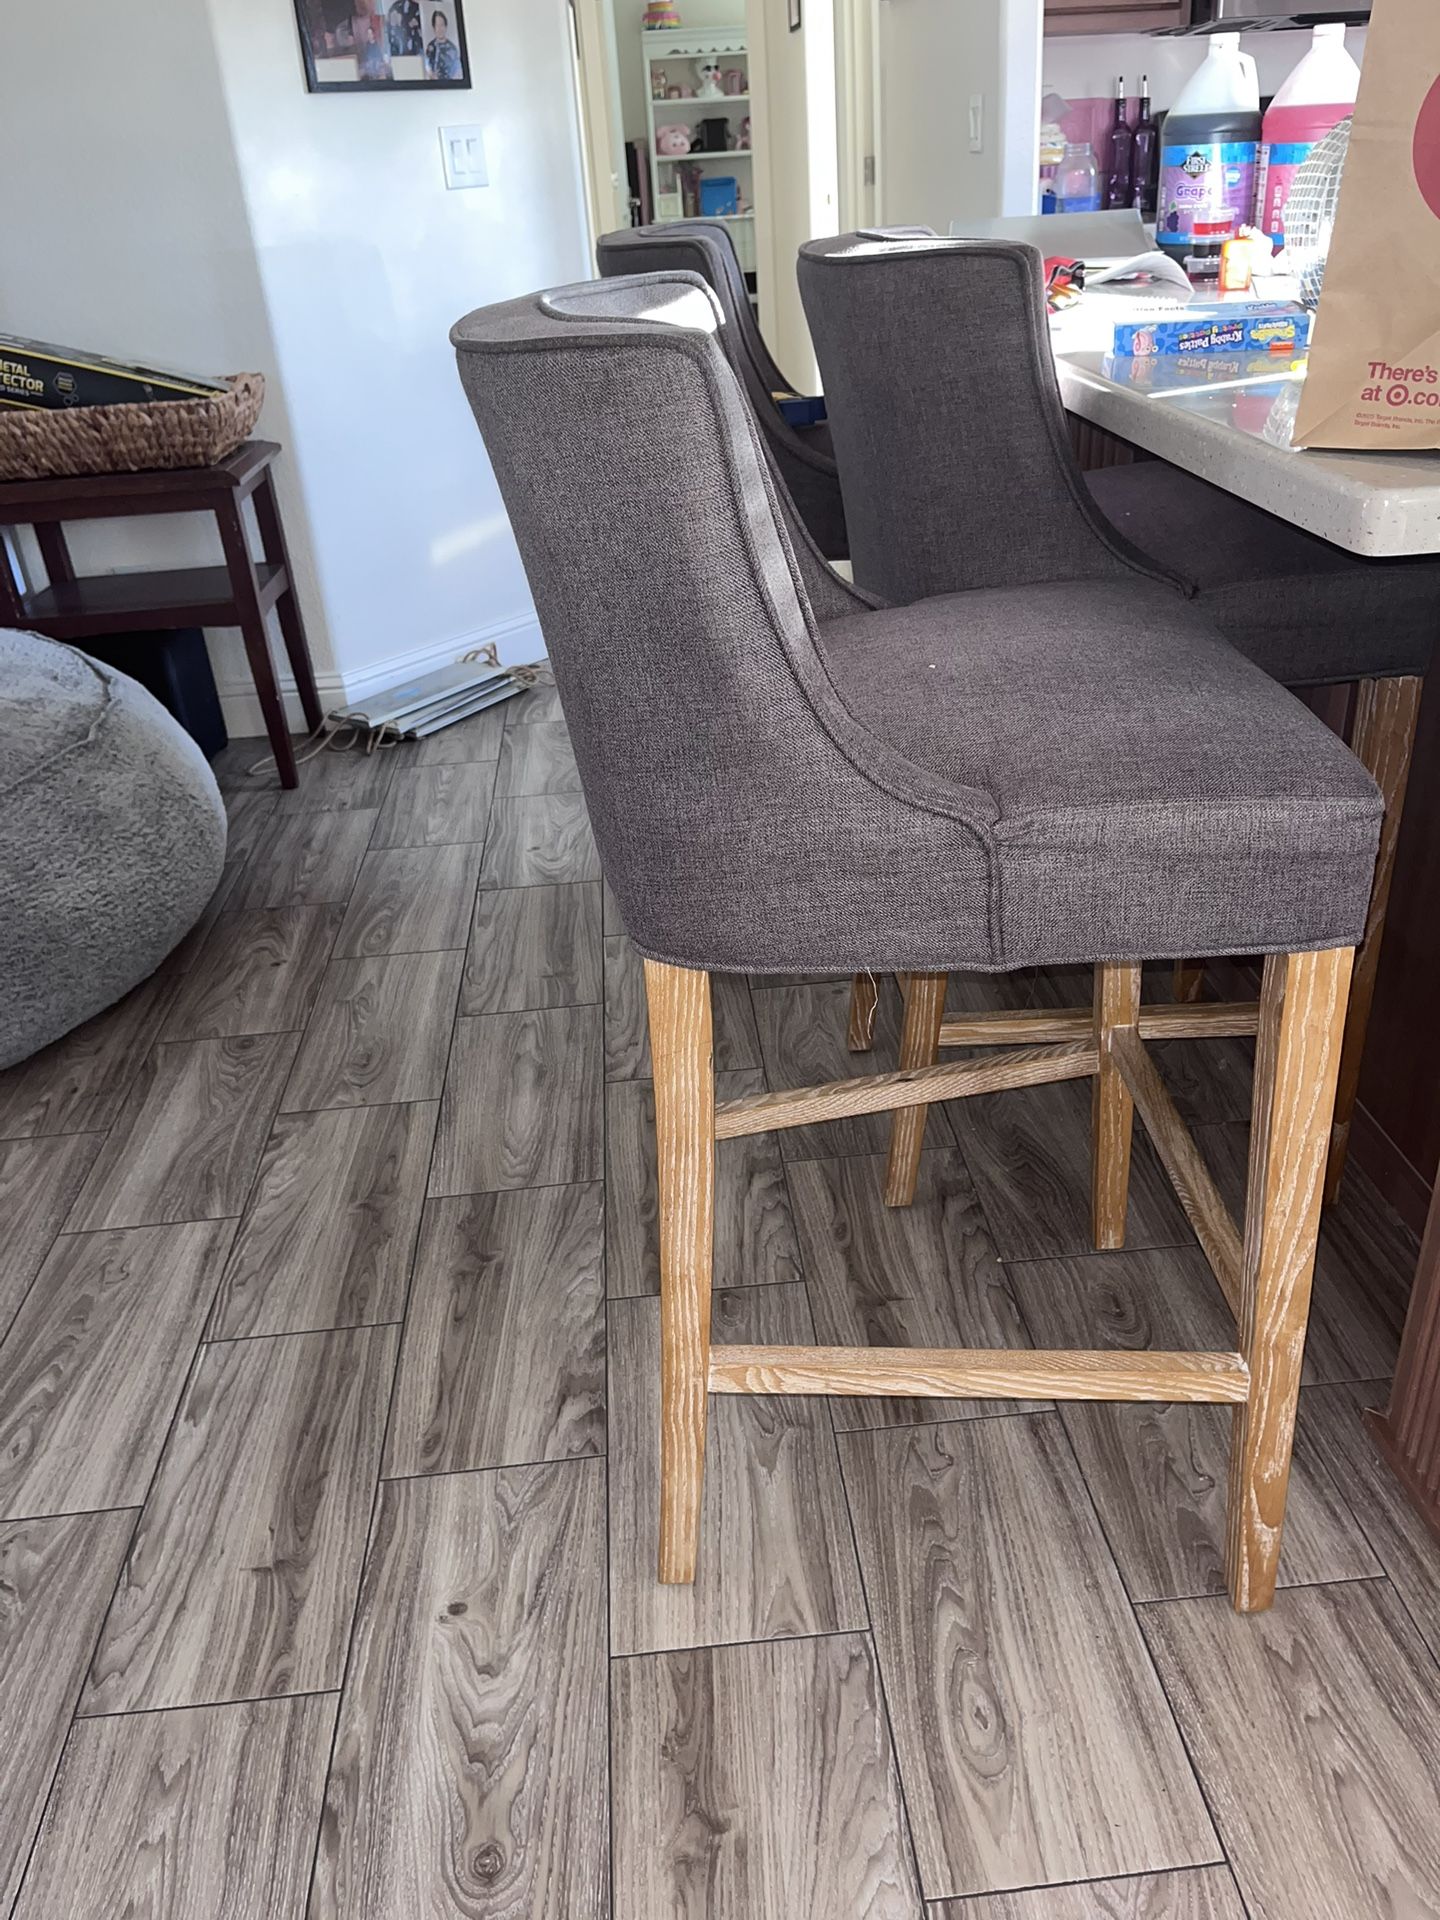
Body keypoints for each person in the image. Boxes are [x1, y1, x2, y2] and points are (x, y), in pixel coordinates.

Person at [425, 9, 462, 80]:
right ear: (434, 28)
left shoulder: (452, 48)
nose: (440, 29)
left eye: (442, 25)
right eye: (437, 25)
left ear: (445, 26)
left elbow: (457, 69)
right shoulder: (430, 46)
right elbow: (427, 66)